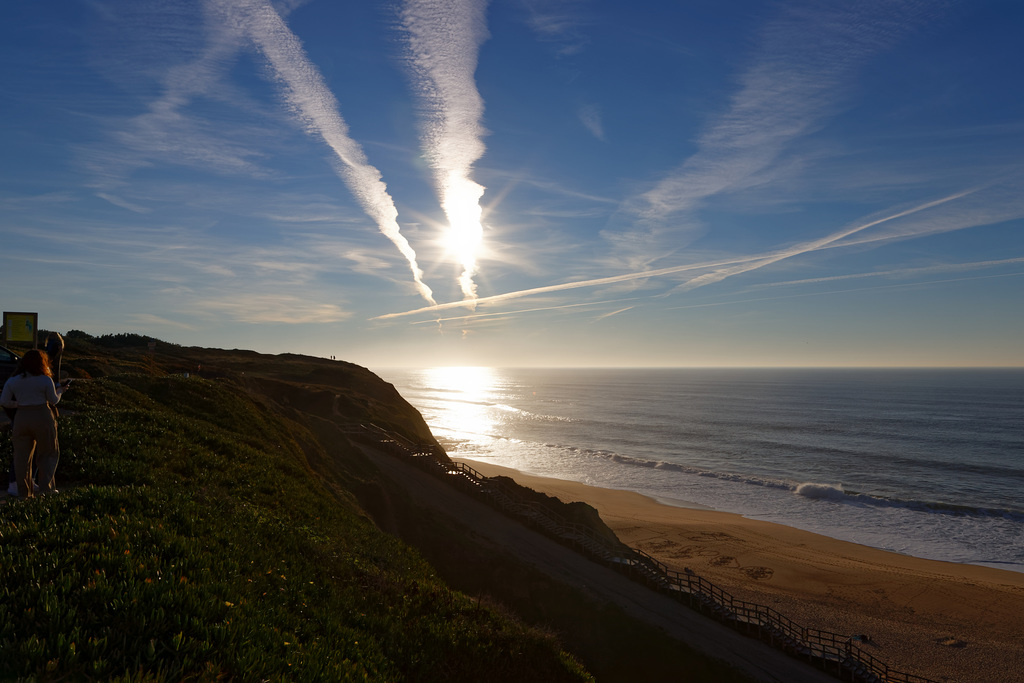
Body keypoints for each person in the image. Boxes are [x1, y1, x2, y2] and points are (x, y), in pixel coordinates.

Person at [0, 350, 68, 499]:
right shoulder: (45, 380)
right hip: (42, 416)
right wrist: (61, 391)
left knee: (21, 458)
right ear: (42, 363)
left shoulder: (13, 380)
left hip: (21, 418)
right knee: (48, 454)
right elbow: (53, 400)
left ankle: (24, 494)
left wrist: (18, 404)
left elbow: (4, 401)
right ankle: (46, 490)